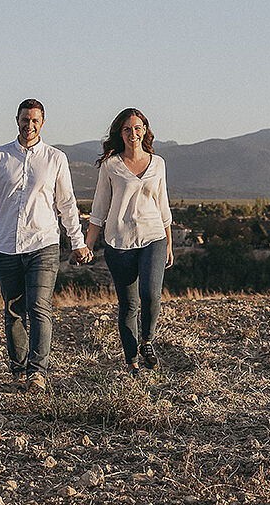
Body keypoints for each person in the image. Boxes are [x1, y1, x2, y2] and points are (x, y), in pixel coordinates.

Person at [0, 99, 90, 393]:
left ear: (43, 123)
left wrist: (77, 241)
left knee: (39, 308)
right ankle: (19, 368)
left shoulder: (55, 158)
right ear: (17, 120)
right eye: (25, 119)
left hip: (43, 244)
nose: (30, 125)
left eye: (35, 120)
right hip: (6, 246)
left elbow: (67, 204)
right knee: (13, 310)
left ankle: (38, 372)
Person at [84, 107, 173, 373]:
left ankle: (147, 340)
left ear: (145, 130)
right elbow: (99, 209)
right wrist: (88, 245)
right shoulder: (110, 166)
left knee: (151, 295)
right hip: (119, 242)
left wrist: (169, 244)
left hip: (153, 236)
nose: (132, 133)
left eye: (137, 128)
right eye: (127, 129)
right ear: (120, 133)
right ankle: (132, 361)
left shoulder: (158, 163)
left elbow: (163, 206)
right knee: (128, 305)